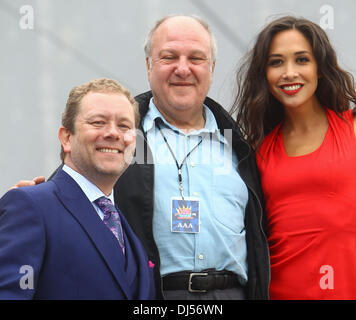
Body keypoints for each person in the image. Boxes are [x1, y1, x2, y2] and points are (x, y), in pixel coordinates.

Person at [12, 15, 270, 300]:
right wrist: (36, 201)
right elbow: (75, 190)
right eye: (169, 57)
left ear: (212, 67)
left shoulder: (238, 144)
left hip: (233, 294)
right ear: (149, 65)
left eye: (195, 58)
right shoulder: (125, 135)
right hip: (152, 295)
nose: (182, 69)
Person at [233, 16, 356, 299]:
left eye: (302, 60)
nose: (289, 73)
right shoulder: (256, 152)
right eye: (276, 62)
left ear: (320, 68)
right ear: (264, 74)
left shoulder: (351, 128)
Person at [0, 78, 156, 299]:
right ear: (66, 138)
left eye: (124, 126)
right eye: (98, 122)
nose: (113, 133)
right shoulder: (30, 206)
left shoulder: (129, 231)